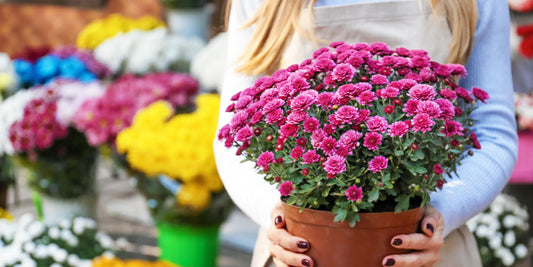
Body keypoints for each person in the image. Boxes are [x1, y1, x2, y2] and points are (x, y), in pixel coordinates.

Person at [214, 0, 518, 266]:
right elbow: (234, 134)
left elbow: (492, 133)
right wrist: (277, 214)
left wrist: (438, 214)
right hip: (297, 248)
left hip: (428, 251)